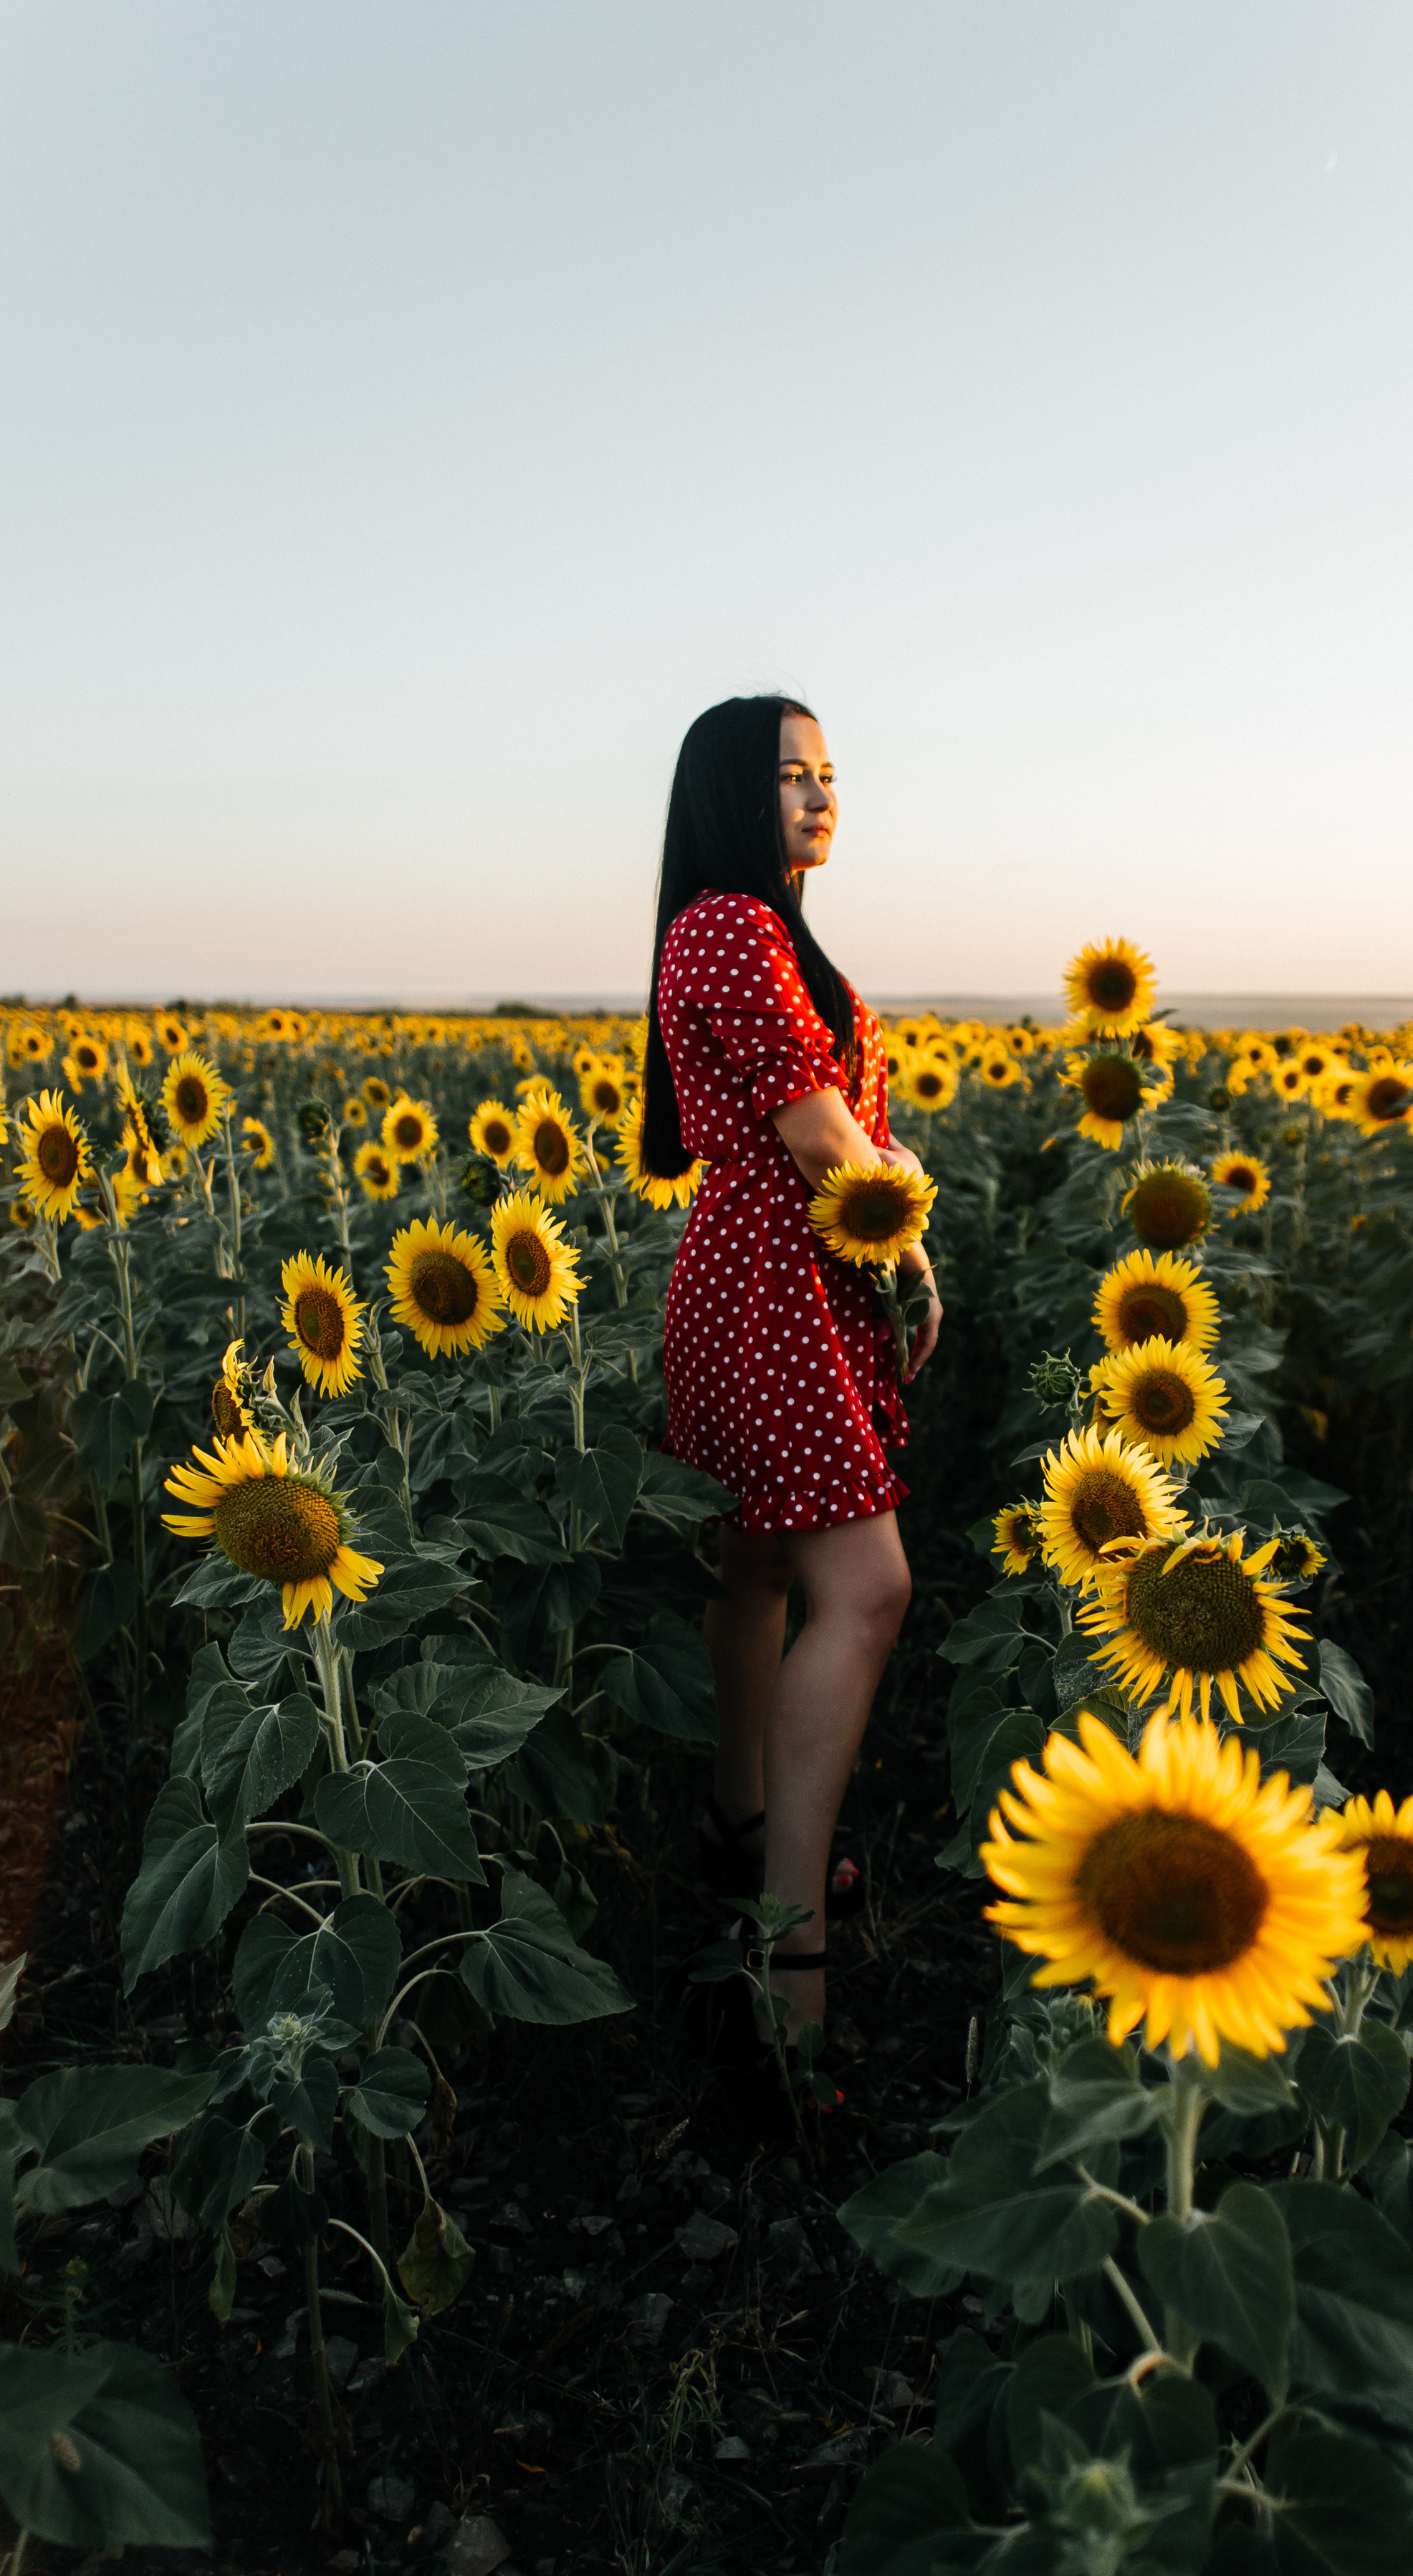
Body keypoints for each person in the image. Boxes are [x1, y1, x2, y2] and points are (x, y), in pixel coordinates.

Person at [643, 694, 942, 2076]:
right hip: (776, 1285)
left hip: (784, 1281)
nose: (822, 798)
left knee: (760, 1567)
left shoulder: (768, 931)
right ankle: (786, 1943)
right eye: (789, 777)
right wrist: (913, 1262)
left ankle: (742, 1822)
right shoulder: (727, 923)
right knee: (864, 1586)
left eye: (831, 776)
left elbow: (845, 1125)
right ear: (724, 795)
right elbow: (827, 1136)